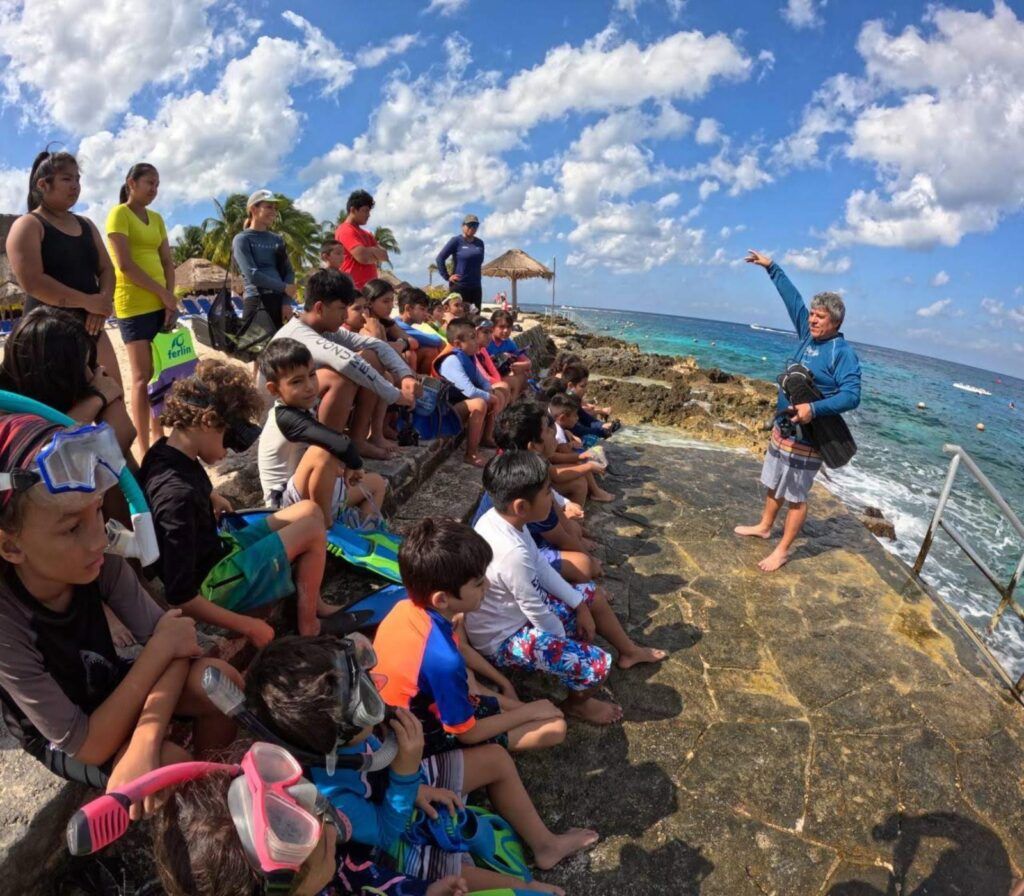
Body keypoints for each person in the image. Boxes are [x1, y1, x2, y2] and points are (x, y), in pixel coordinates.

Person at [0, 413, 239, 800]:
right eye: (72, 527)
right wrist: (160, 652)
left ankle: (215, 785)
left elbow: (178, 638)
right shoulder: (7, 623)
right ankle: (197, 817)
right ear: (11, 546)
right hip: (69, 737)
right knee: (168, 769)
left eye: (97, 511)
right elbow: (86, 744)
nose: (98, 539)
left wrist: (145, 738)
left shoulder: (97, 561)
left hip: (114, 686)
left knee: (220, 682)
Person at [246, 635, 592, 891]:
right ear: (336, 738)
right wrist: (407, 774)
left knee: (495, 760)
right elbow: (384, 833)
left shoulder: (337, 735)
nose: (376, 688)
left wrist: (416, 783)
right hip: (383, 834)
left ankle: (545, 844)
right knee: (453, 876)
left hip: (402, 784)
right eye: (366, 699)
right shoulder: (331, 799)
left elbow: (378, 762)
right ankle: (527, 887)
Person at [141, 360, 335, 641]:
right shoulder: (176, 497)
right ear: (208, 421)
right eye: (226, 440)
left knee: (309, 510)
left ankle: (315, 602)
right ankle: (309, 626)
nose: (226, 453)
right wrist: (249, 627)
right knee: (313, 530)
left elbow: (185, 482)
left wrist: (211, 495)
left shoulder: (164, 452)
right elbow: (181, 596)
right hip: (215, 586)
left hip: (220, 552)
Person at [469, 452, 665, 725]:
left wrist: (579, 605)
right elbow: (537, 612)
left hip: (517, 614)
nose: (552, 497)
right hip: (502, 639)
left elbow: (542, 567)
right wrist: (566, 642)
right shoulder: (510, 552)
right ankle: (576, 705)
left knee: (590, 594)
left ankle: (629, 651)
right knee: (596, 664)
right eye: (547, 492)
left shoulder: (503, 520)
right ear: (521, 506)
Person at [373, 517, 567, 757]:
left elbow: (460, 650)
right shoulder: (444, 659)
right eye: (478, 583)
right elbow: (466, 733)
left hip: (404, 711)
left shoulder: (406, 608)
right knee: (556, 727)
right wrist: (528, 713)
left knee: (470, 676)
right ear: (442, 599)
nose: (487, 584)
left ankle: (518, 707)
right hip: (420, 738)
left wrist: (507, 685)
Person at [153, 759, 474, 896]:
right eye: (324, 846)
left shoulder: (314, 863)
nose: (335, 829)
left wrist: (421, 891)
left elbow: (360, 872)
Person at [735, 250, 862, 572]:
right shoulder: (807, 337)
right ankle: (765, 527)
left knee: (795, 494)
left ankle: (784, 549)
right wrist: (772, 268)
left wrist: (813, 409)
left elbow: (852, 396)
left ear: (835, 322)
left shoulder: (842, 352)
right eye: (812, 315)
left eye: (819, 317)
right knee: (773, 480)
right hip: (785, 429)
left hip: (810, 436)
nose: (812, 319)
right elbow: (792, 300)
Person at [6, 149, 123, 393]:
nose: (76, 185)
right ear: (43, 184)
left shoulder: (87, 225)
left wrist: (102, 303)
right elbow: (33, 282)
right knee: (63, 417)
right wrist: (88, 302)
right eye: (67, 179)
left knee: (116, 404)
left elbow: (106, 269)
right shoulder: (28, 225)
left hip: (93, 326)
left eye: (78, 179)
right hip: (47, 335)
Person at [271, 269, 419, 460]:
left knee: (371, 356)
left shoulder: (324, 329)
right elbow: (349, 362)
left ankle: (357, 440)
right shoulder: (300, 334)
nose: (344, 316)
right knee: (341, 376)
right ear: (319, 308)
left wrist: (405, 375)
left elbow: (376, 344)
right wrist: (397, 396)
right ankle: (327, 454)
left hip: (304, 405)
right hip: (284, 416)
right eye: (342, 309)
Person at [258, 338, 387, 529]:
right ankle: (325, 526)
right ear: (273, 389)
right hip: (283, 507)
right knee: (323, 452)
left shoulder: (299, 408)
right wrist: (355, 464)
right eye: (297, 381)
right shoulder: (284, 417)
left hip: (304, 492)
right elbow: (338, 443)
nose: (310, 386)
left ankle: (358, 535)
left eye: (312, 375)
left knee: (377, 484)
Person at [105, 163, 177, 455]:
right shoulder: (119, 214)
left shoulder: (157, 219)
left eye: (157, 184)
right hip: (133, 304)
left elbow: (168, 262)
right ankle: (144, 446)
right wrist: (162, 293)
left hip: (161, 304)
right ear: (131, 183)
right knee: (140, 376)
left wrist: (169, 297)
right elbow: (124, 265)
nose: (154, 189)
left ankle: (159, 435)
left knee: (161, 372)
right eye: (149, 182)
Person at [487, 402, 602, 584]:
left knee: (573, 529)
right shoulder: (528, 485)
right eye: (548, 430)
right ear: (533, 446)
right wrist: (590, 561)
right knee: (585, 565)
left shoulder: (519, 464)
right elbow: (561, 537)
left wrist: (574, 533)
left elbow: (557, 513)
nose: (554, 433)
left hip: (523, 542)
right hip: (512, 560)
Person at [0, 307, 135, 455]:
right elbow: (114, 449)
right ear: (55, 376)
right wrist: (97, 399)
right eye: (84, 366)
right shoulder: (11, 418)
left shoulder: (22, 391)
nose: (91, 375)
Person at [435, 318, 500, 467]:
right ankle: (471, 453)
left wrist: (491, 392)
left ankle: (486, 437)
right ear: (458, 344)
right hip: (446, 411)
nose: (477, 341)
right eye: (472, 337)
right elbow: (469, 392)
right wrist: (491, 398)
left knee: (491, 395)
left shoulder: (468, 358)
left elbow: (482, 380)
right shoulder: (452, 361)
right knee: (479, 403)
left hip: (459, 406)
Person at [231, 189, 296, 333]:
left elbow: (288, 272)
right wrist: (284, 287)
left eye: (275, 208)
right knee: (254, 352)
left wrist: (286, 302)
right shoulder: (242, 239)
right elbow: (252, 274)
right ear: (253, 209)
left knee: (279, 352)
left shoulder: (277, 239)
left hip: (279, 302)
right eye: (268, 207)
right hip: (257, 301)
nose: (273, 212)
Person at [547, 393, 614, 504]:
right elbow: (555, 459)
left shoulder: (552, 422)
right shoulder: (556, 433)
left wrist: (569, 435)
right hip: (551, 476)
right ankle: (595, 492)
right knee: (579, 464)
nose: (577, 418)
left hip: (551, 470)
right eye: (575, 415)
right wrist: (585, 461)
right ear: (562, 417)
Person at [335, 189, 389, 290]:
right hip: (353, 291)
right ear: (353, 210)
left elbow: (385, 256)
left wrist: (369, 252)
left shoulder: (367, 234)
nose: (369, 215)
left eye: (369, 211)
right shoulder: (345, 230)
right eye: (365, 210)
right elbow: (363, 257)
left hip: (370, 291)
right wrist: (374, 252)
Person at [362, 279, 418, 370]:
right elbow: (379, 351)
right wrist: (397, 345)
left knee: (411, 353)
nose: (391, 306)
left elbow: (414, 342)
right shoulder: (363, 325)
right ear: (369, 303)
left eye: (392, 301)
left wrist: (400, 344)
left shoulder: (386, 321)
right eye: (386, 301)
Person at [435, 215, 485, 312]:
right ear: (463, 226)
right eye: (470, 225)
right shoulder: (456, 241)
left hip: (476, 287)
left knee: (475, 317)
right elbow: (440, 259)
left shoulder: (480, 243)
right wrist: (447, 276)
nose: (473, 228)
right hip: (459, 287)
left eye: (475, 225)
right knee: (458, 318)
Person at [395, 287, 445, 373]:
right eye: (422, 309)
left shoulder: (402, 324)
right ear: (408, 309)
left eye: (426, 310)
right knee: (430, 351)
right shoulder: (398, 326)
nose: (426, 314)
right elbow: (436, 340)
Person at [561, 363, 617, 438]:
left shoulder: (573, 400)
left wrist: (602, 425)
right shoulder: (563, 404)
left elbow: (586, 418)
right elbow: (578, 430)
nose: (585, 390)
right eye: (582, 386)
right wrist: (604, 431)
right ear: (570, 386)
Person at [487, 310, 531, 399]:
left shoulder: (509, 343)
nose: (506, 330)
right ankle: (512, 403)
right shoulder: (487, 342)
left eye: (509, 327)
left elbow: (527, 362)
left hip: (503, 373)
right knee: (514, 380)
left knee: (525, 373)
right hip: (490, 377)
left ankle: (516, 399)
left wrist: (518, 365)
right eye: (501, 327)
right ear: (492, 327)